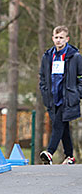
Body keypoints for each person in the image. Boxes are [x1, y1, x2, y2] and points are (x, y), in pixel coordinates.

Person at [39, 25, 82, 165]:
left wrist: (77, 94)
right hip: (52, 97)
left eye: (61, 38)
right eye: (56, 38)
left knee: (58, 124)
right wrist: (45, 92)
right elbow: (43, 78)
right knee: (63, 127)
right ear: (52, 38)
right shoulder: (47, 56)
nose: (58, 40)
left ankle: (50, 152)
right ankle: (69, 156)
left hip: (68, 98)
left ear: (67, 39)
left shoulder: (74, 57)